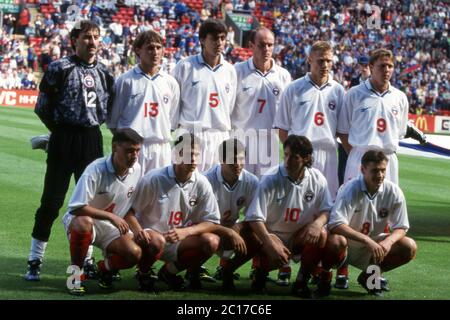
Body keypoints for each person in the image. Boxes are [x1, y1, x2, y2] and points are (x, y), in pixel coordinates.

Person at [25, 20, 115, 281]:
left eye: (96, 37)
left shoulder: (105, 73)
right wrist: (58, 132)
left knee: (90, 204)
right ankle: (34, 259)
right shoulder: (59, 68)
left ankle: (87, 260)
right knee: (51, 202)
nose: (92, 42)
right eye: (87, 37)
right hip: (64, 138)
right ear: (74, 40)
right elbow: (42, 107)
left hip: (91, 140)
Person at [221, 135, 339, 298]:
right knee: (251, 236)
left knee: (322, 235)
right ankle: (247, 271)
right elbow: (254, 217)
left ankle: (301, 281)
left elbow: (327, 210)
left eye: (294, 157)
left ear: (306, 158)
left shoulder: (317, 179)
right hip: (269, 234)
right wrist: (270, 243)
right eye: (286, 155)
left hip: (298, 236)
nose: (288, 161)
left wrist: (317, 224)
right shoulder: (271, 177)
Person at [125, 133, 244, 291]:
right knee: (156, 241)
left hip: (179, 241)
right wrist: (139, 231)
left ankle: (169, 272)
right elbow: (129, 212)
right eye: (189, 155)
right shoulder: (154, 179)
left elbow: (212, 221)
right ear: (177, 155)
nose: (194, 160)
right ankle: (143, 273)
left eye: (196, 155)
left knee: (212, 241)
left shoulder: (201, 182)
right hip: (151, 239)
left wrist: (186, 232)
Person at [62, 130, 143, 295]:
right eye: (129, 150)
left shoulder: (137, 170)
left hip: (109, 225)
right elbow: (76, 207)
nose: (134, 155)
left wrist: (138, 229)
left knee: (134, 253)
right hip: (82, 219)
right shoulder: (95, 170)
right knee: (83, 223)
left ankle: (104, 269)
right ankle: (74, 277)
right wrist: (111, 216)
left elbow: (128, 207)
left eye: (137, 151)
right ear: (115, 147)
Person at [328, 150, 417, 296]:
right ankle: (324, 278)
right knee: (334, 241)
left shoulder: (393, 191)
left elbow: (401, 226)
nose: (380, 175)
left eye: (383, 170)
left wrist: (388, 242)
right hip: (347, 244)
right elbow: (335, 224)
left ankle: (370, 277)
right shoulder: (350, 189)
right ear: (363, 170)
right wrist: (367, 240)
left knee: (409, 246)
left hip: (374, 246)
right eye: (375, 171)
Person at [274, 41, 345, 200]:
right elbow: (282, 128)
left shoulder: (338, 91)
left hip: (328, 154)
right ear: (309, 60)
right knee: (296, 199)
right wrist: (293, 153)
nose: (325, 65)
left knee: (327, 202)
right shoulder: (294, 88)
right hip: (301, 154)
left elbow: (342, 130)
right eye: (320, 61)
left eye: (328, 61)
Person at [107, 30, 180, 176]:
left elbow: (172, 121)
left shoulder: (170, 83)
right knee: (130, 195)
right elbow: (113, 123)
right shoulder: (125, 81)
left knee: (159, 195)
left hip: (161, 148)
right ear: (138, 50)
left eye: (159, 47)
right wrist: (128, 144)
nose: (155, 52)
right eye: (150, 47)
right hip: (133, 149)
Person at [172, 19, 237, 172]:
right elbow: (174, 104)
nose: (219, 42)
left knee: (215, 189)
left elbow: (230, 106)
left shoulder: (230, 71)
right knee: (185, 187)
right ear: (202, 40)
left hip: (219, 136)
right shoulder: (185, 66)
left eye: (222, 38)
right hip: (190, 134)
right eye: (214, 38)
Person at [337, 49, 409, 185]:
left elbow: (400, 132)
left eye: (390, 66)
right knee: (355, 204)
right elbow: (342, 131)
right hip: (360, 158)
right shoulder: (354, 94)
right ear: (371, 67)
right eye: (382, 66)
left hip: (388, 160)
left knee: (386, 205)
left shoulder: (400, 97)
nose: (386, 70)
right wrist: (355, 154)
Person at [231, 27, 291, 177]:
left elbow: (287, 114)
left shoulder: (283, 76)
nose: (267, 49)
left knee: (267, 192)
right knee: (240, 191)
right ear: (251, 46)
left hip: (270, 142)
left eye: (270, 45)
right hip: (242, 140)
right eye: (261, 45)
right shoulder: (237, 71)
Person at [203, 139, 259, 281]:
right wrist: (221, 227)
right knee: (207, 240)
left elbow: (256, 216)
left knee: (258, 237)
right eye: (233, 160)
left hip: (234, 226)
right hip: (207, 228)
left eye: (241, 159)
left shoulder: (251, 181)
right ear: (221, 160)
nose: (238, 164)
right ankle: (191, 271)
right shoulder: (205, 181)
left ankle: (228, 269)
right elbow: (193, 218)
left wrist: (238, 226)